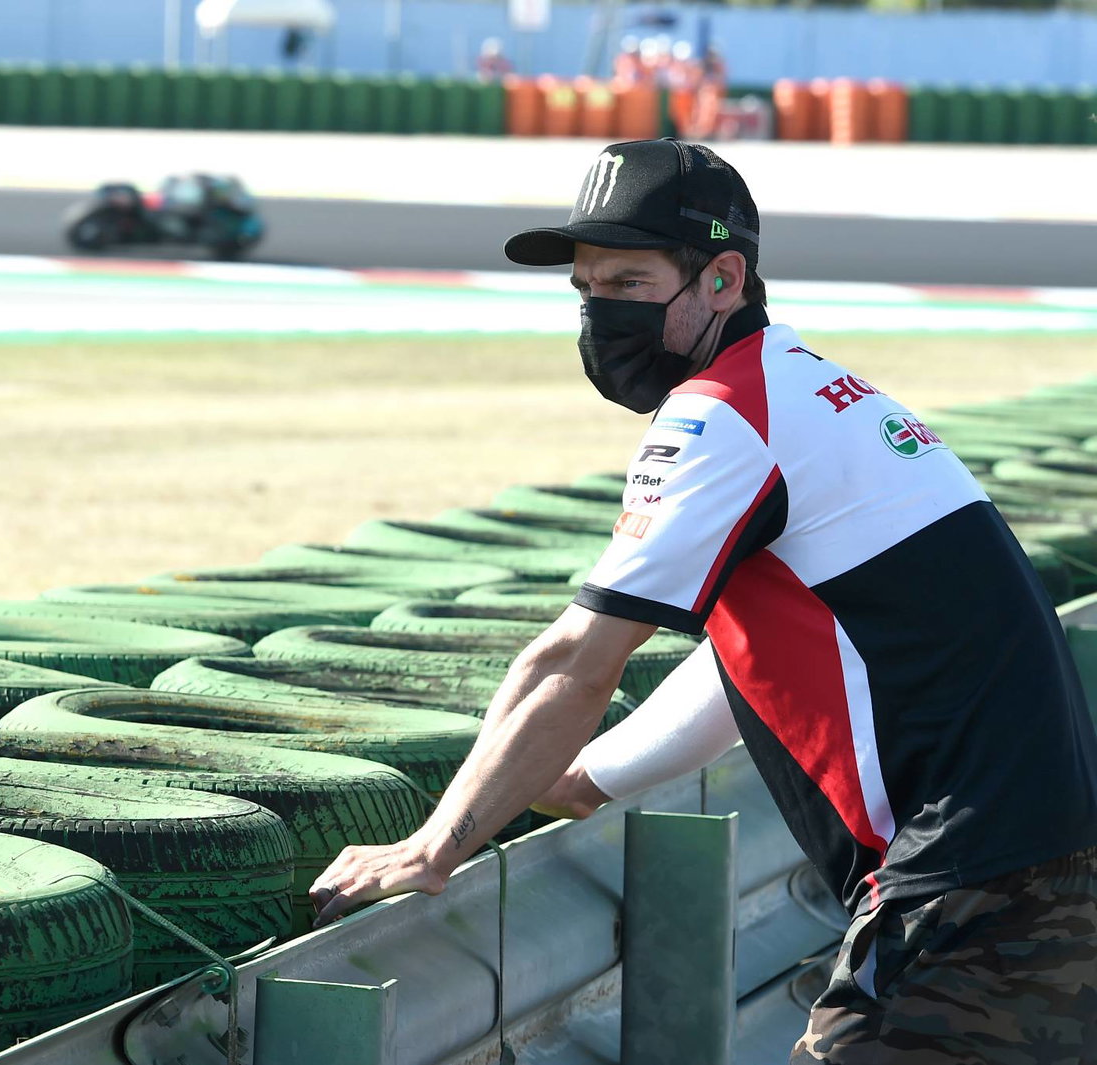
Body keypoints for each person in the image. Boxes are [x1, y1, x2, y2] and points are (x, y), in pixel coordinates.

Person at [308, 137, 1097, 1062]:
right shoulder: (802, 386)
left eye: (631, 283)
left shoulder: (724, 411)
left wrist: (436, 843)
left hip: (967, 885)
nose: (600, 312)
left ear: (723, 278)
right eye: (586, 286)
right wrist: (586, 779)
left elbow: (571, 658)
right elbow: (752, 659)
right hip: (1036, 856)